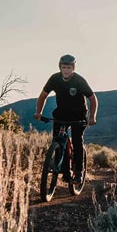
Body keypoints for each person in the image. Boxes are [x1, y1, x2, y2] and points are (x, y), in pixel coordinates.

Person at [34, 54, 98, 184]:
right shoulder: (54, 79)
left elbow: (92, 98)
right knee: (57, 141)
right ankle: (64, 171)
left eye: (69, 67)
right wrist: (38, 112)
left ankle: (79, 172)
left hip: (78, 115)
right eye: (64, 67)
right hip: (61, 114)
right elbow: (43, 96)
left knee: (77, 140)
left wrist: (92, 117)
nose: (66, 70)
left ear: (73, 68)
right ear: (60, 67)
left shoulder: (79, 81)